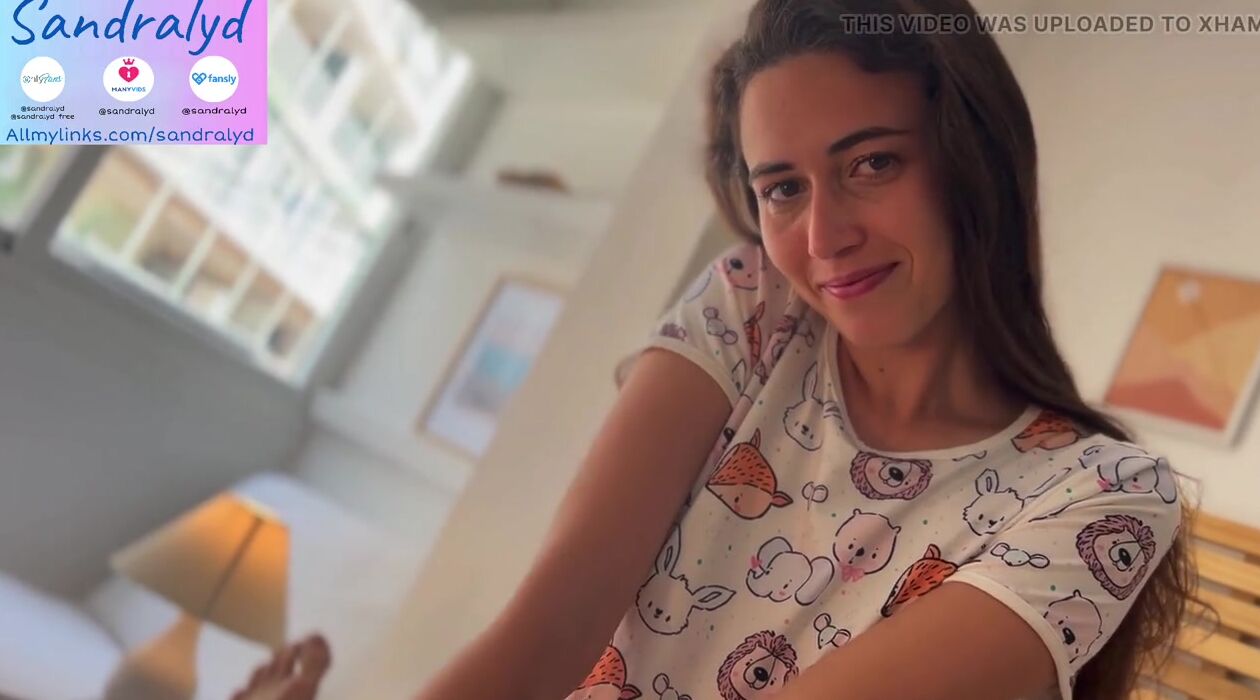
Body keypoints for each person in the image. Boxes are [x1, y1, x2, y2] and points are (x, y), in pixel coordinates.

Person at [235, 0, 1194, 698]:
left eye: (872, 163)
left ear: (972, 158)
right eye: (783, 189)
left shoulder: (1100, 498)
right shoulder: (754, 308)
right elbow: (546, 632)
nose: (822, 237)